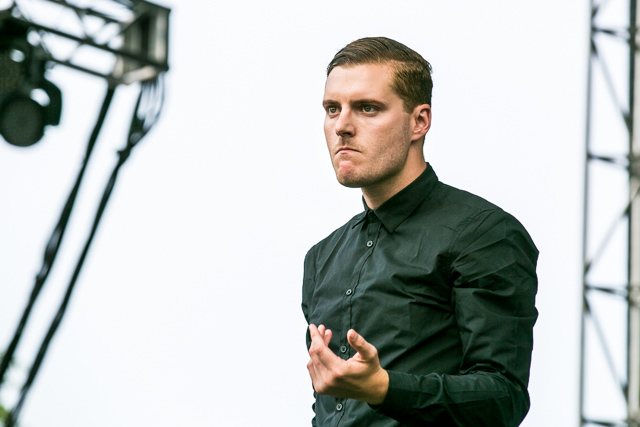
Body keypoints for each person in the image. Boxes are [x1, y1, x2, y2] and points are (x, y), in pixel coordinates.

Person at [301, 37, 538, 427]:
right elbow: (328, 408)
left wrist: (384, 388)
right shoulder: (322, 257)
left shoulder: (483, 233)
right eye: (332, 108)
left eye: (367, 108)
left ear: (419, 121)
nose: (342, 126)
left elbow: (503, 397)